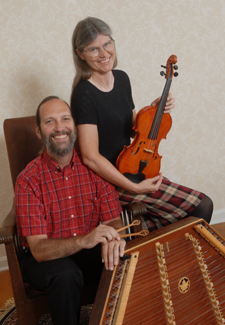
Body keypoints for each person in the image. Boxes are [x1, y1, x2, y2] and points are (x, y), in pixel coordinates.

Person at [70, 17, 213, 232]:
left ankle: (144, 243)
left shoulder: (121, 79)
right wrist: (134, 187)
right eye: (93, 49)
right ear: (80, 53)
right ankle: (142, 242)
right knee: (202, 206)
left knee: (196, 208)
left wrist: (154, 110)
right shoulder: (84, 94)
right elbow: (91, 157)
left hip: (132, 166)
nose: (104, 53)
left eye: (107, 44)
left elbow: (132, 128)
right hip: (108, 178)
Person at [15, 96, 126, 325]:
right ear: (39, 131)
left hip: (89, 251)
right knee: (65, 274)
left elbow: (114, 220)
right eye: (49, 122)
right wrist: (83, 240)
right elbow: (38, 249)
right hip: (46, 260)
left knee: (124, 256)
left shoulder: (95, 166)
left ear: (74, 124)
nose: (59, 128)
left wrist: (116, 239)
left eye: (65, 119)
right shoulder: (28, 180)